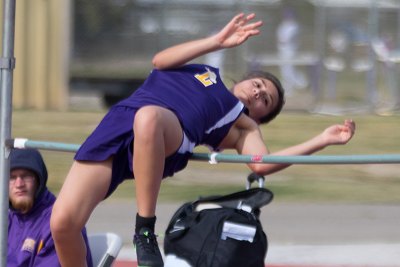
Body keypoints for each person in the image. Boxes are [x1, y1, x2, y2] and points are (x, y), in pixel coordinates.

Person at [50, 13, 356, 267]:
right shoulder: (205, 70)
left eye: (266, 99)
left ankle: (144, 231)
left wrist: (322, 139)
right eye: (260, 84)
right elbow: (160, 61)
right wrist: (217, 41)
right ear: (247, 78)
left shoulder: (242, 122)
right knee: (62, 225)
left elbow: (262, 164)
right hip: (117, 125)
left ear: (261, 115)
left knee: (149, 118)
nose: (259, 92)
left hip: (167, 130)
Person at [8, 148, 93, 267]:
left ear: (39, 180)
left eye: (26, 176)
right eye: (12, 177)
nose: (19, 184)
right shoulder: (8, 218)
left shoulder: (59, 221)